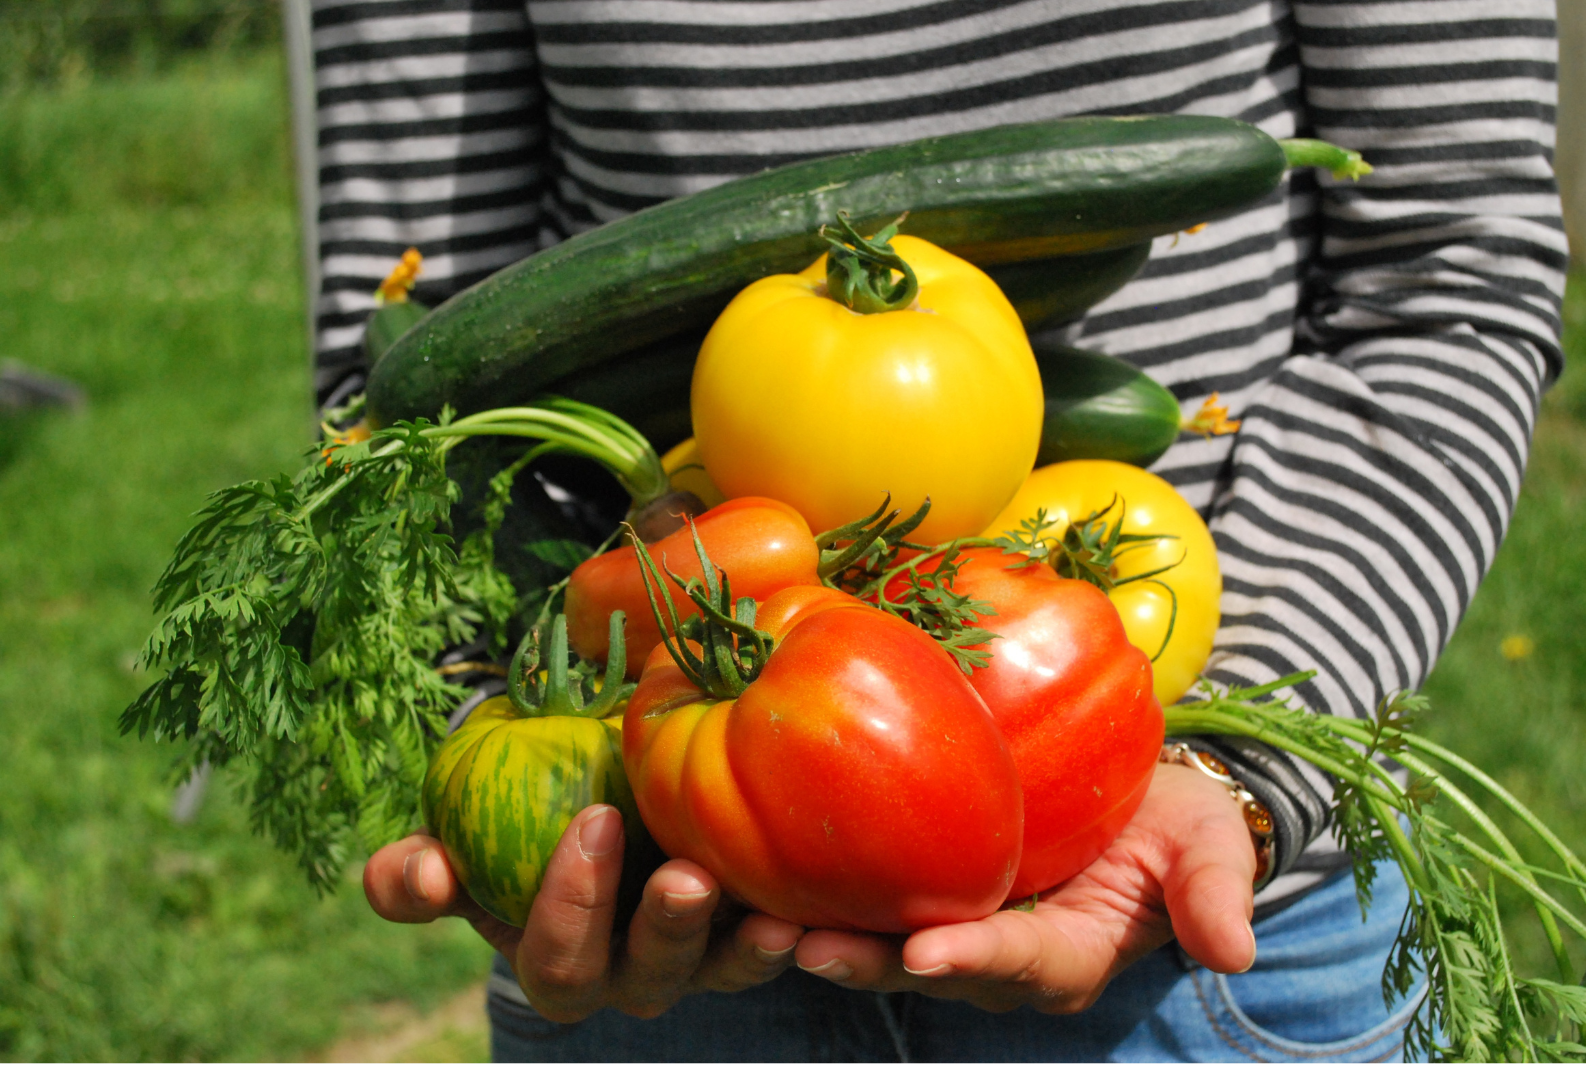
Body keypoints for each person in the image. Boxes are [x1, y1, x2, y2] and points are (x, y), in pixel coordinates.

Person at [316, 1, 1565, 1061]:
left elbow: (1448, 279)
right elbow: (402, 373)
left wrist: (1236, 771)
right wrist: (504, 751)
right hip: (652, 878)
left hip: (1204, 920)